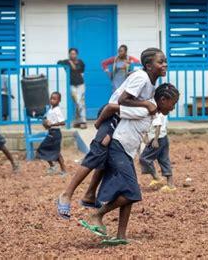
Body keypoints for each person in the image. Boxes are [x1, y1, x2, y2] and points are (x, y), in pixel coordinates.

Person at [57, 48, 167, 220]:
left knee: (104, 155)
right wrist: (146, 104)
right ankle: (67, 193)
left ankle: (90, 194)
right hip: (113, 114)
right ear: (149, 66)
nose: (164, 64)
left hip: (120, 116)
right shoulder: (142, 78)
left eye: (165, 61)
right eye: (160, 62)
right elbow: (123, 100)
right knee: (97, 153)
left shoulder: (151, 82)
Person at [79, 83, 180, 246]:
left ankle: (121, 236)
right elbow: (113, 108)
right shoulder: (144, 109)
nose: (174, 107)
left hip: (125, 152)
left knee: (129, 193)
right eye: (173, 103)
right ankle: (96, 215)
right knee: (133, 192)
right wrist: (98, 124)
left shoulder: (153, 113)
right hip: (117, 149)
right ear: (163, 100)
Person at [140, 112, 175, 191]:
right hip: (163, 137)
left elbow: (158, 125)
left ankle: (156, 178)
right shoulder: (158, 110)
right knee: (164, 159)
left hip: (157, 139)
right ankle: (170, 184)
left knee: (144, 158)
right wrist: (146, 135)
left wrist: (155, 140)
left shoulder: (155, 111)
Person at [36, 92, 67, 175]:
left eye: (54, 99)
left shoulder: (57, 110)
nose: (52, 100)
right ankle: (52, 166)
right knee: (43, 149)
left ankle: (64, 170)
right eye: (51, 98)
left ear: (59, 101)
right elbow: (48, 122)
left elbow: (63, 122)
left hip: (56, 133)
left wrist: (52, 124)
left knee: (56, 152)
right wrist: (45, 123)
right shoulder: (50, 110)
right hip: (51, 132)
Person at [57, 48, 87, 129]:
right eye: (71, 53)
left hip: (81, 84)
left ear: (77, 54)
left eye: (74, 54)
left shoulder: (80, 62)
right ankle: (78, 121)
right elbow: (59, 62)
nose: (72, 55)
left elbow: (79, 69)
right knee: (77, 103)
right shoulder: (67, 62)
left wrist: (71, 63)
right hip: (72, 85)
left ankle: (83, 121)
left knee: (81, 103)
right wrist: (67, 62)